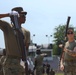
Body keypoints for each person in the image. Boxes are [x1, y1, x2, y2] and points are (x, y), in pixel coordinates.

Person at [0, 7, 30, 75]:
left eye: (25, 15)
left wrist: (25, 62)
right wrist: (8, 14)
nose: (25, 17)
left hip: (20, 63)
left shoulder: (26, 32)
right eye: (22, 15)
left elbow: (26, 49)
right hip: (10, 63)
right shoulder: (8, 27)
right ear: (16, 16)